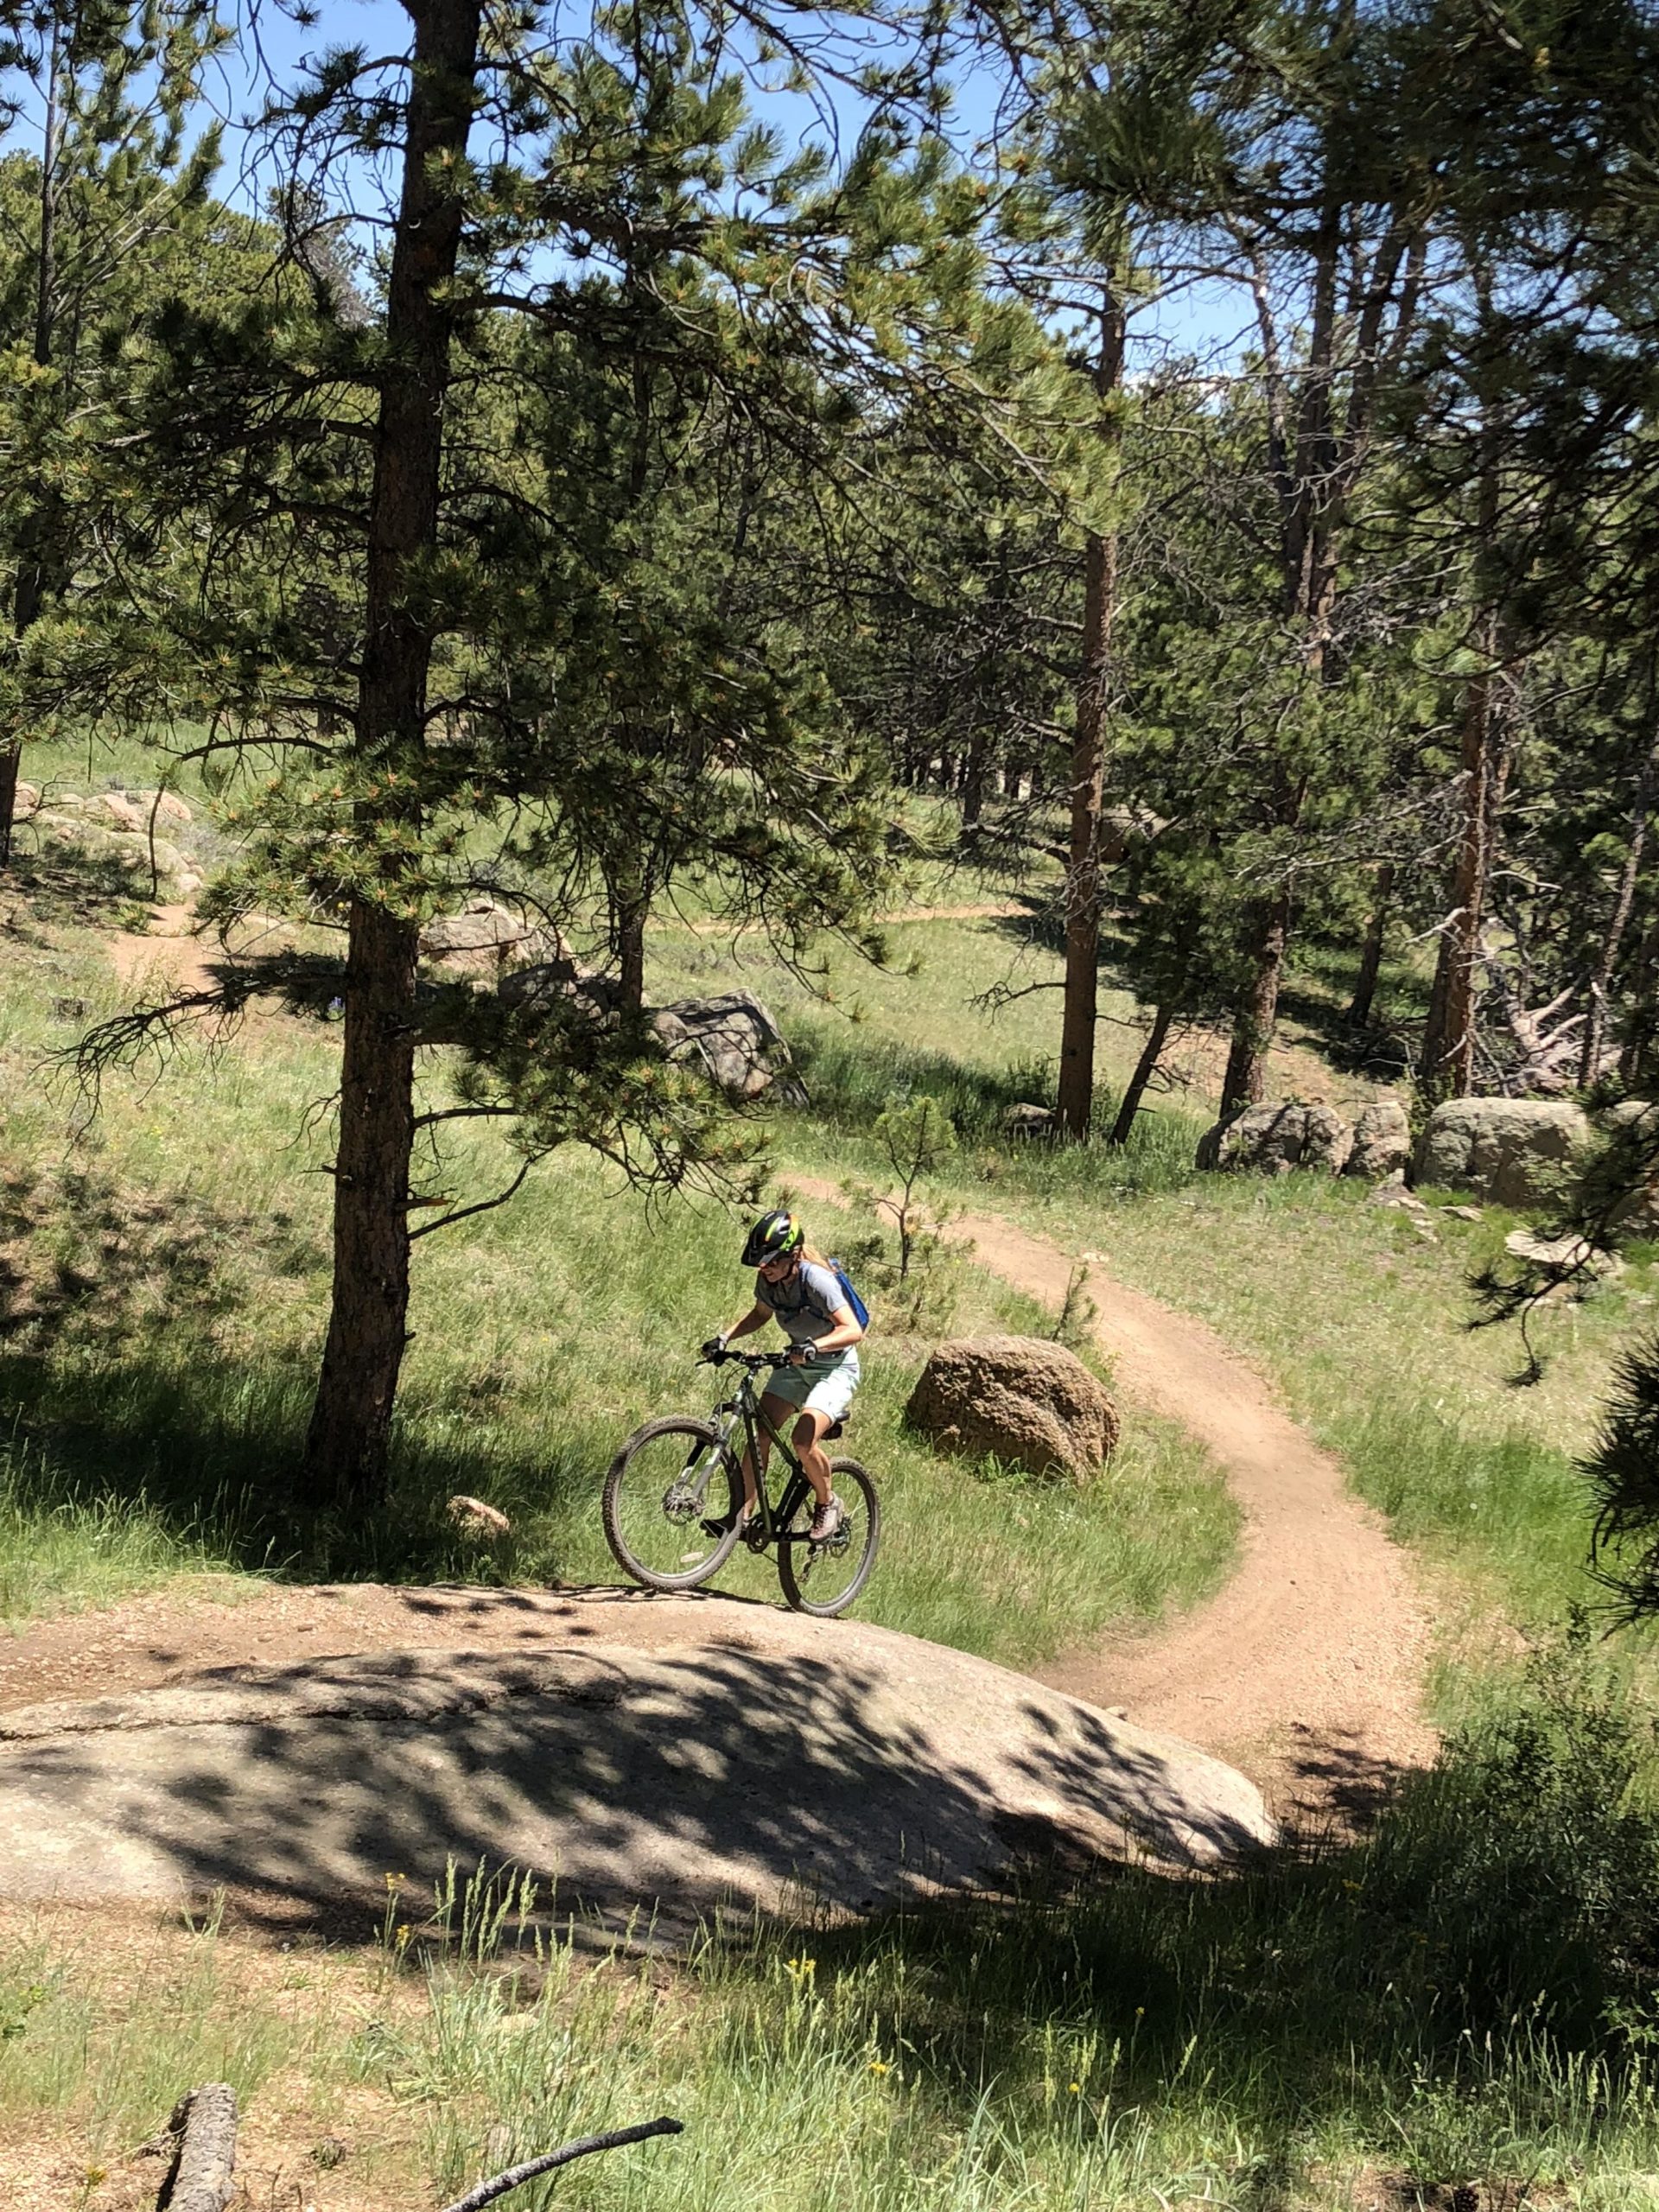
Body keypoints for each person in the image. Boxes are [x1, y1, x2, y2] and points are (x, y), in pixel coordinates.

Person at [702, 1209, 864, 1543]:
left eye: (772, 1262)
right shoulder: (769, 1281)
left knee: (803, 1440)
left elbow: (853, 1330)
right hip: (798, 1363)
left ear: (792, 1255)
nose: (766, 1269)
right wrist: (725, 1338)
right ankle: (740, 1518)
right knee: (761, 1432)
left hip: (836, 1367)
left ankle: (828, 1502)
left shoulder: (817, 1280)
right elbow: (761, 1314)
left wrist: (812, 1347)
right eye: (762, 1264)